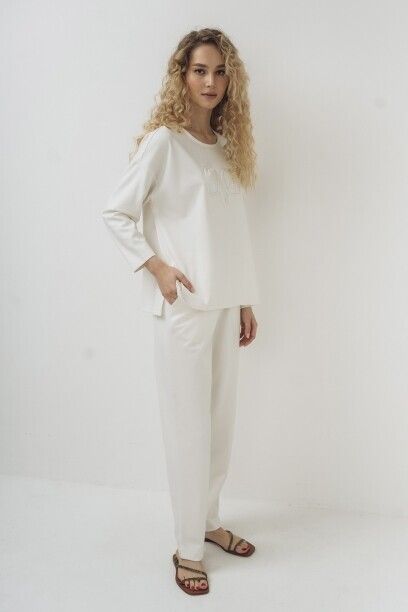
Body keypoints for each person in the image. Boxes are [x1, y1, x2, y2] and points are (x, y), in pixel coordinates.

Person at [102, 27, 260, 596]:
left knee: (220, 426)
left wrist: (245, 299)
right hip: (185, 309)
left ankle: (209, 521)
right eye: (199, 70)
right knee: (188, 430)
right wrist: (158, 268)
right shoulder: (163, 143)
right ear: (182, 76)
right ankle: (187, 548)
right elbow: (117, 213)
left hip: (224, 304)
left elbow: (231, 231)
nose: (210, 81)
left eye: (219, 71)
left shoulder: (224, 146)